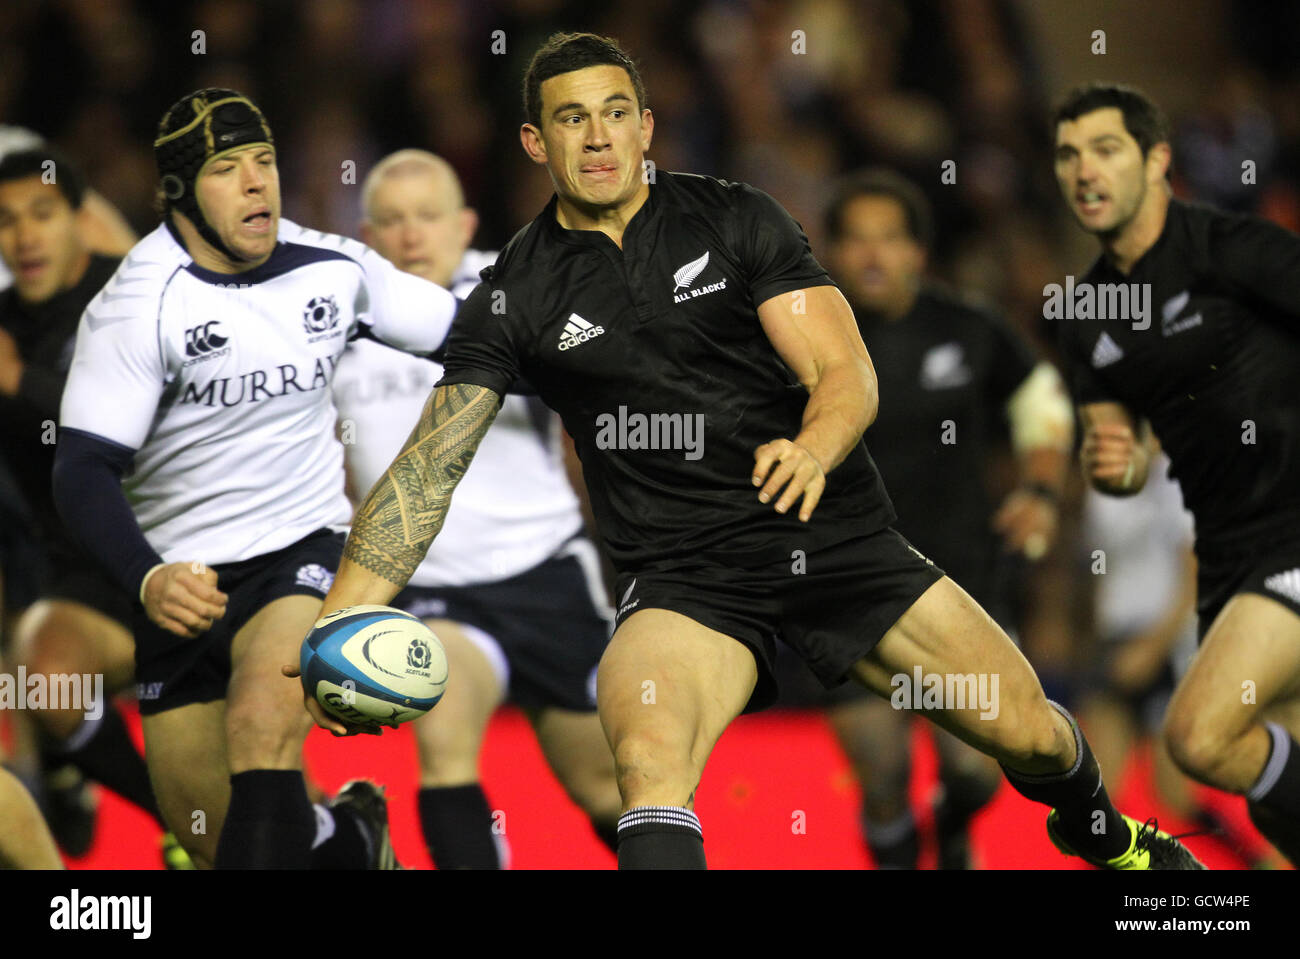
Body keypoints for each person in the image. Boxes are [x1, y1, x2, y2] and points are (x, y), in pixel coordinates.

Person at [300, 33, 1202, 870]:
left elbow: (842, 368)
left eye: (616, 111)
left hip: (837, 535)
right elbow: (428, 466)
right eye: (572, 118)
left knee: (1033, 733)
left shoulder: (737, 218)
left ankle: (1105, 833)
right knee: (648, 760)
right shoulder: (514, 295)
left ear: (647, 126)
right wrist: (338, 619)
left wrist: (813, 447)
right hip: (686, 577)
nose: (600, 136)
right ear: (538, 144)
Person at [51, 88, 459, 869]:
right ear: (179, 195)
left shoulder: (328, 267)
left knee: (260, 729)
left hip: (298, 554)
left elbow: (472, 337)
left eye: (265, 162)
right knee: (214, 839)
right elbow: (82, 468)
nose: (255, 184)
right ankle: (355, 836)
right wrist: (145, 580)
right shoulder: (138, 307)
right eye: (227, 169)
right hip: (180, 590)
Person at [772, 168, 1075, 868]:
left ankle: (955, 820)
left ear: (918, 252)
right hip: (841, 590)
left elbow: (1042, 401)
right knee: (881, 779)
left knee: (974, 770)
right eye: (857, 241)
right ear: (832, 254)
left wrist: (1041, 491)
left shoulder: (968, 330)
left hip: (960, 581)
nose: (874, 256)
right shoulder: (796, 340)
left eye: (891, 239)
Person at [332, 149, 621, 868]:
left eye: (428, 216)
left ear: (464, 224)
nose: (411, 236)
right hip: (433, 588)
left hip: (547, 572)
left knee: (612, 790)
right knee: (443, 745)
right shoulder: (337, 321)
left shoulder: (520, 286)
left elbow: (604, 370)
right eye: (392, 221)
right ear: (368, 235)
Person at [1052, 81, 1300, 864]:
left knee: (1197, 735)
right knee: (1273, 805)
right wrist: (1116, 464)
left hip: (1291, 534)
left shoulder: (1240, 253)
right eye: (1066, 155)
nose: (1083, 170)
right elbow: (1117, 455)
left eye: (1105, 149)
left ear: (1158, 159)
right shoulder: (1084, 311)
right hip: (1227, 558)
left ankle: (1172, 876)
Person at [0, 147, 175, 862]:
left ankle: (343, 831)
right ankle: (181, 818)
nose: (25, 237)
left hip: (195, 554)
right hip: (86, 583)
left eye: (42, 215)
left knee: (265, 763)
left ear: (80, 219)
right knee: (46, 672)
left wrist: (21, 384)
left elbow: (144, 434)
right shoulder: (3, 323)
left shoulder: (136, 295)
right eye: (6, 222)